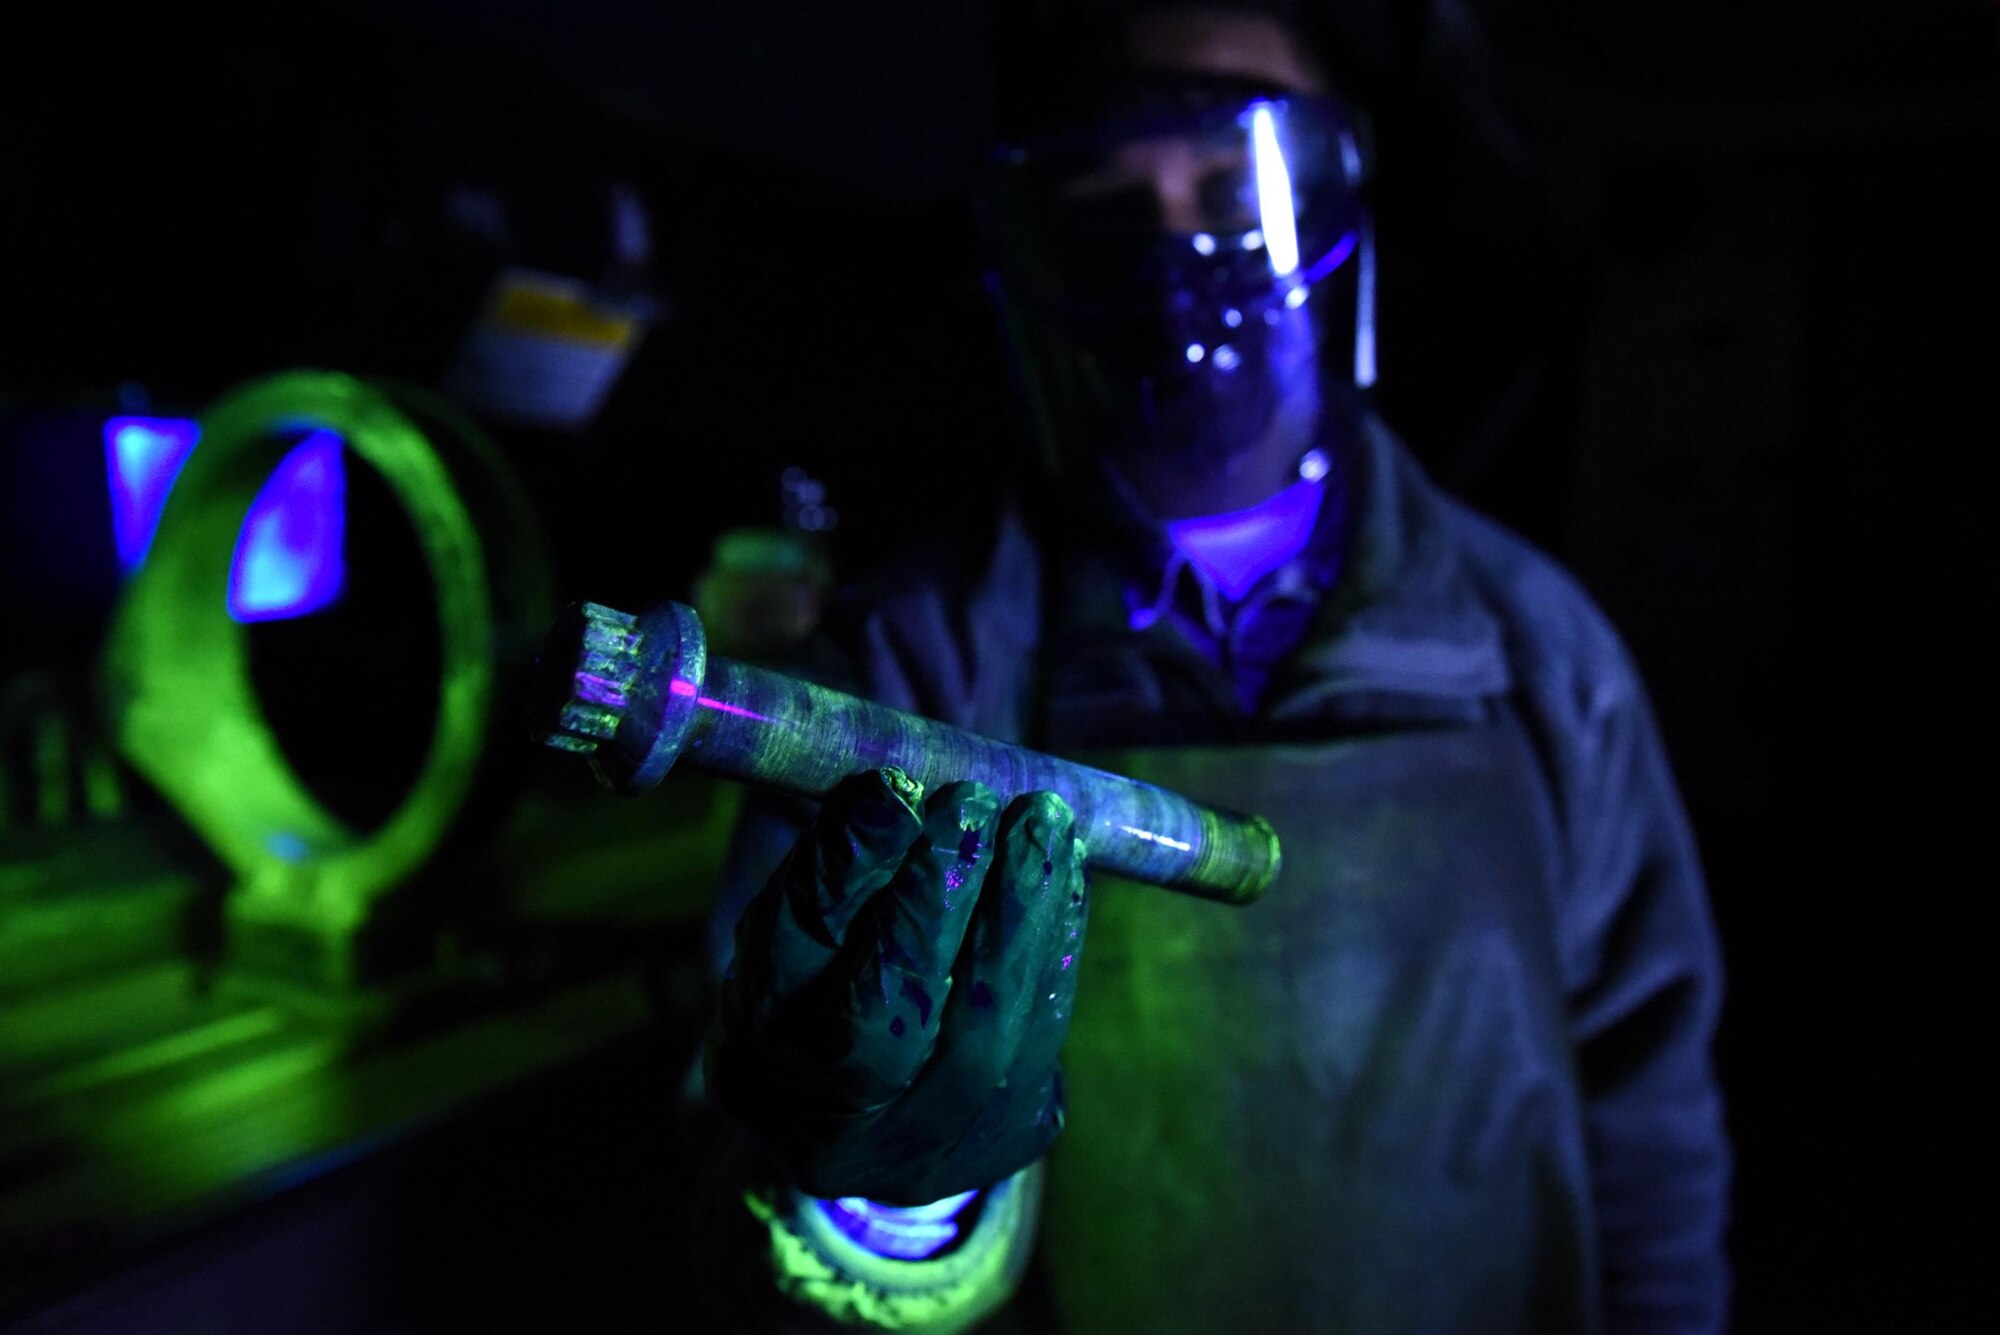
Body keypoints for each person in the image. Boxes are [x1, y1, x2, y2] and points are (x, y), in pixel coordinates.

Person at [685, 4, 1730, 1332]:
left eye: (1233, 187)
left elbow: (1650, 1135)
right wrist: (882, 1209)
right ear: (1034, 246)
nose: (1180, 261)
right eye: (1109, 198)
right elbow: (743, 1187)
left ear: (1337, 194)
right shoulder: (910, 673)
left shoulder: (1539, 654)